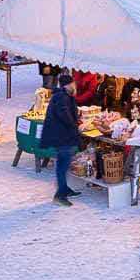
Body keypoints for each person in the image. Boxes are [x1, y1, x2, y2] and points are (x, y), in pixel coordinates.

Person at [38, 74, 81, 207]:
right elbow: (65, 116)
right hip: (61, 136)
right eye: (73, 84)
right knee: (62, 165)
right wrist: (76, 126)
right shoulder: (62, 97)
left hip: (62, 135)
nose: (75, 86)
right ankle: (60, 195)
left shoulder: (63, 96)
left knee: (64, 164)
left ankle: (64, 189)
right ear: (68, 85)